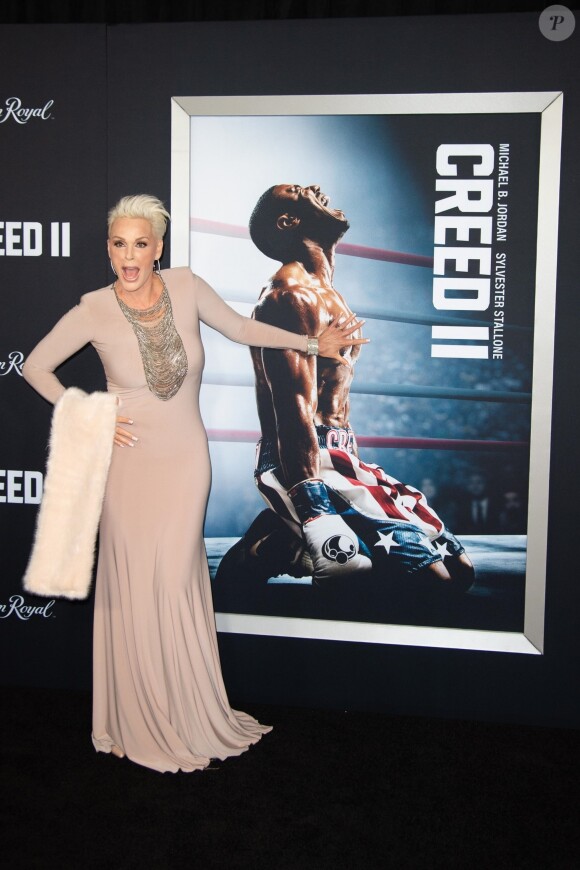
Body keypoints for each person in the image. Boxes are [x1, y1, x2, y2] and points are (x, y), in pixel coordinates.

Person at [22, 194, 363, 773]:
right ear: (108, 250)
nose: (128, 257)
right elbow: (35, 367)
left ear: (157, 248)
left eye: (140, 244)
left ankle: (185, 708)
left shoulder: (185, 286)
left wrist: (311, 344)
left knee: (177, 578)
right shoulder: (92, 309)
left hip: (184, 460)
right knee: (130, 580)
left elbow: (238, 327)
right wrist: (89, 414)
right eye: (117, 244)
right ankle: (134, 714)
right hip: (127, 465)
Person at [217, 183, 474, 592]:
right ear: (288, 221)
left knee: (461, 572)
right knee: (436, 584)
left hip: (341, 453)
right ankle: (281, 540)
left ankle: (281, 539)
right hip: (302, 459)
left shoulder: (327, 293)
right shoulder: (291, 297)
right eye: (300, 191)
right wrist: (315, 509)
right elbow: (293, 410)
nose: (316, 189)